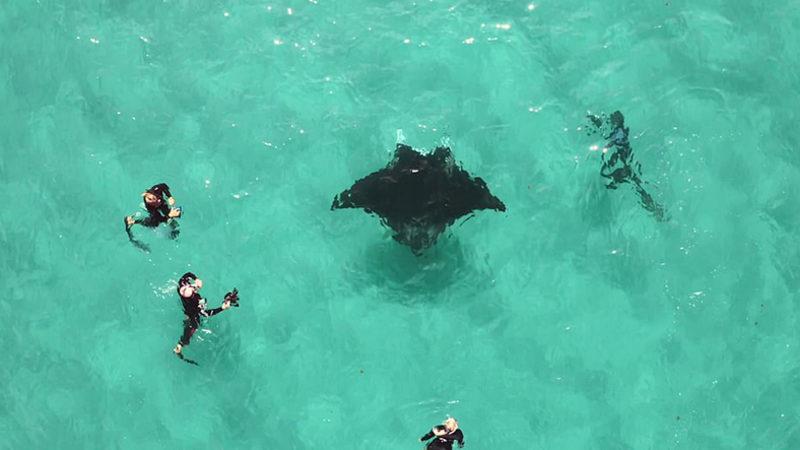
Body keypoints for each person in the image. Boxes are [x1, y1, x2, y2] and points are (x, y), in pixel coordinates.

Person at [173, 272, 238, 363]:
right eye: (194, 289)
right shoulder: (197, 301)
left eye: (192, 287)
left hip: (186, 308)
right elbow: (206, 313)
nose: (194, 287)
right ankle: (179, 347)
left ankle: (181, 342)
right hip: (193, 314)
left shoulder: (181, 286)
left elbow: (187, 275)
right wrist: (222, 308)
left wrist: (196, 279)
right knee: (193, 327)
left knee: (188, 318)